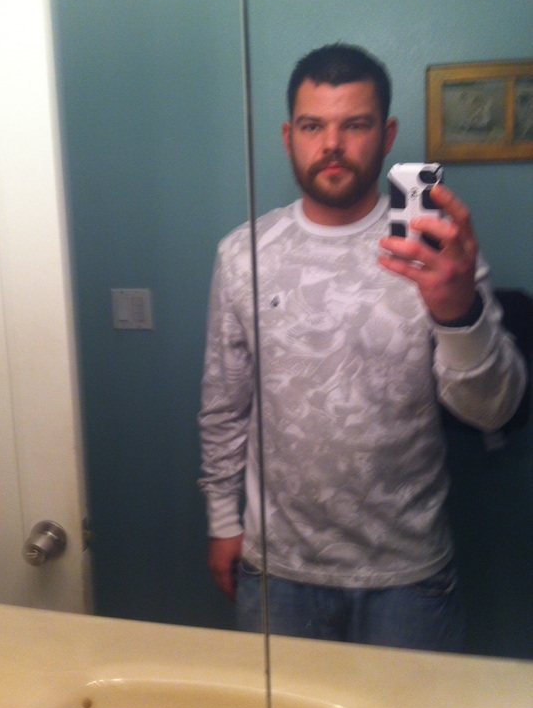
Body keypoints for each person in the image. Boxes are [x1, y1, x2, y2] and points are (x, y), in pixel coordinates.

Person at [198, 43, 526, 652]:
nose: (332, 144)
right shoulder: (243, 254)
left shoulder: (439, 249)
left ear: (387, 134)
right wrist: (222, 520)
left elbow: (493, 411)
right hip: (279, 571)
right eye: (312, 126)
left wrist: (459, 313)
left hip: (408, 577)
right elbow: (225, 405)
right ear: (288, 136)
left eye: (355, 125)